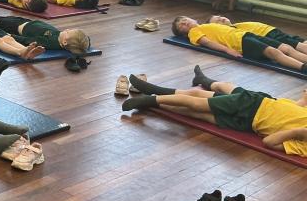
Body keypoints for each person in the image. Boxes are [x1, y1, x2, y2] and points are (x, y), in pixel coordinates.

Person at [121, 66, 307, 156]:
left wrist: (298, 132)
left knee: (196, 113)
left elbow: (268, 142)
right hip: (256, 104)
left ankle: (154, 102)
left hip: (248, 124)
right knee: (197, 101)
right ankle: (151, 97)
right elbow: (295, 109)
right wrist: (304, 99)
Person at [172, 16, 307, 73]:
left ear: (192, 18)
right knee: (274, 52)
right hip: (240, 42)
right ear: (183, 33)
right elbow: (207, 42)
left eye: (184, 20)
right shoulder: (193, 33)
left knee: (286, 47)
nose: (184, 23)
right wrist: (227, 50)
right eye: (181, 25)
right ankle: (302, 67)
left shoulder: (207, 25)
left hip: (246, 34)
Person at [0, 5, 92, 55]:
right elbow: (82, 42)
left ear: (65, 42)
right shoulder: (61, 38)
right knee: (4, 19)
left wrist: (10, 36)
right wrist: (83, 42)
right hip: (26, 22)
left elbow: (29, 41)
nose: (67, 29)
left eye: (68, 32)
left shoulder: (50, 42)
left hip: (16, 27)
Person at [208, 15, 307, 55]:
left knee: (297, 44)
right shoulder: (231, 32)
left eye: (220, 17)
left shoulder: (236, 26)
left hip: (269, 32)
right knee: (296, 42)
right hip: (267, 34)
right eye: (218, 21)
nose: (221, 19)